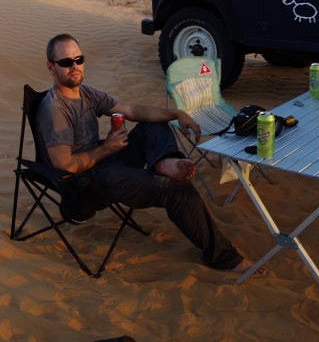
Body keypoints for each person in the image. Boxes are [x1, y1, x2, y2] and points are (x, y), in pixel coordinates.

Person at [36, 33, 262, 274]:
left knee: (153, 124)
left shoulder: (87, 94)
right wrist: (106, 148)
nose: (74, 66)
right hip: (86, 182)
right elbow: (64, 166)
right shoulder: (55, 109)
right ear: (51, 67)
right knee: (174, 188)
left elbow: (131, 110)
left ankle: (164, 162)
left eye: (79, 59)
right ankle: (225, 258)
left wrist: (176, 114)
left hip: (107, 160)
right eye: (65, 62)